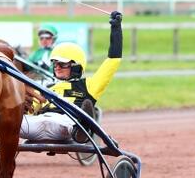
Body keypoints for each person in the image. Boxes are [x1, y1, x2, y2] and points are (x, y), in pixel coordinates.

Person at [20, 11, 123, 143]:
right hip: (36, 124)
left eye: (62, 64)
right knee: (11, 120)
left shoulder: (89, 85)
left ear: (76, 66)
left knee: (66, 122)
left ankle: (82, 128)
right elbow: (32, 109)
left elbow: (113, 61)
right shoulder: (46, 87)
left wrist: (116, 28)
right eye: (55, 64)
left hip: (64, 124)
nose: (56, 67)